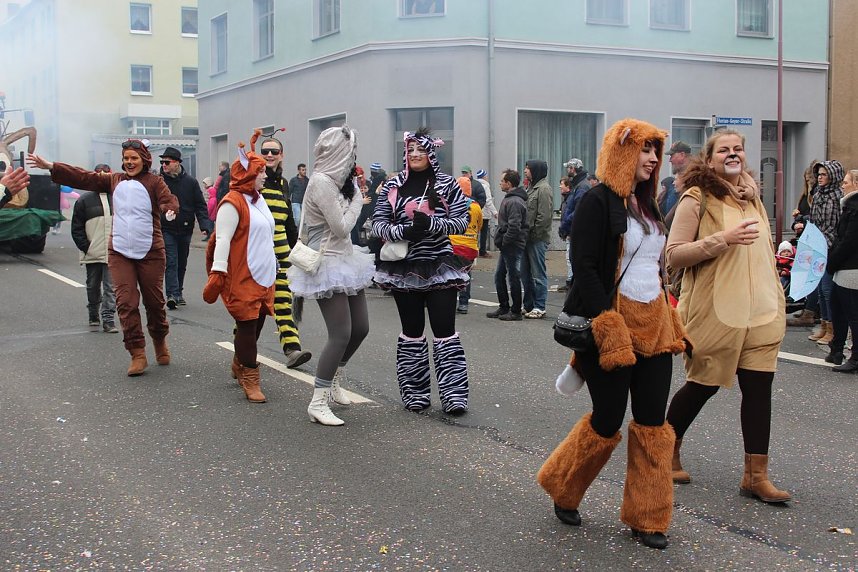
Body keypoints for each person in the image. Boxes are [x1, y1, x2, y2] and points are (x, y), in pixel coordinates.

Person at [537, 119, 686, 550]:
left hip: (654, 326)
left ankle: (649, 516)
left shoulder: (650, 204)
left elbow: (653, 269)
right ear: (622, 153)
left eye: (656, 151)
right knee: (607, 419)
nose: (653, 159)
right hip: (610, 325)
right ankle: (562, 486)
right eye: (644, 150)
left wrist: (670, 314)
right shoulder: (597, 202)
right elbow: (583, 268)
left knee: (654, 424)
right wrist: (606, 321)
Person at [664, 128, 791, 505]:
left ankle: (756, 476)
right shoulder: (696, 197)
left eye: (738, 149)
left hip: (762, 312)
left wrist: (777, 295)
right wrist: (722, 240)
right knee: (702, 385)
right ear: (711, 157)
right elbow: (674, 255)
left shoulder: (754, 198)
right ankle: (664, 448)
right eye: (724, 150)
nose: (732, 154)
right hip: (716, 312)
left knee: (758, 390)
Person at [29, 140, 179, 376]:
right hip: (119, 251)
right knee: (126, 302)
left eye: (134, 158)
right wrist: (51, 166)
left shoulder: (154, 182)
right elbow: (84, 177)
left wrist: (170, 208)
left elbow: (167, 199)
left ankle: (159, 340)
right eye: (126, 158)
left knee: (154, 303)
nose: (129, 162)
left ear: (144, 160)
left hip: (150, 251)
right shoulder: (113, 180)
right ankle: (137, 352)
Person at [372, 128, 471, 414]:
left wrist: (432, 225)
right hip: (405, 268)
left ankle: (453, 394)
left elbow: (462, 221)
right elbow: (377, 224)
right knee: (412, 331)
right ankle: (415, 393)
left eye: (421, 150)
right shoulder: (393, 186)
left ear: (432, 154)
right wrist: (405, 230)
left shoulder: (447, 184)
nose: (415, 155)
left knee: (445, 331)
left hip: (440, 265)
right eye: (411, 150)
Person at [288, 125, 375, 426]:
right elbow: (341, 227)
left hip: (347, 261)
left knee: (360, 328)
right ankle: (318, 400)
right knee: (341, 333)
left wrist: (353, 197)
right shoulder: (322, 182)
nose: (353, 158)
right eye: (350, 152)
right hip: (326, 265)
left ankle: (335, 379)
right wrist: (357, 202)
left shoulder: (340, 182)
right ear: (339, 152)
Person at [203, 130, 276, 404]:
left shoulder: (258, 199)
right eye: (260, 172)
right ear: (247, 174)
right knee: (246, 326)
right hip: (243, 275)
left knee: (256, 325)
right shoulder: (232, 202)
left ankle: (239, 360)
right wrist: (218, 273)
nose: (265, 175)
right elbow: (221, 239)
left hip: (264, 274)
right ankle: (250, 376)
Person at [258, 136, 312, 369]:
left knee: (283, 300)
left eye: (274, 152)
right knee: (252, 306)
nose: (269, 155)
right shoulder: (251, 179)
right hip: (256, 251)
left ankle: (292, 350)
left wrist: (296, 250)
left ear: (281, 155)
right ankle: (241, 354)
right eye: (265, 151)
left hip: (281, 252)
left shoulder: (283, 184)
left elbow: (289, 220)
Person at [159, 147, 213, 309]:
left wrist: (205, 225)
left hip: (185, 228)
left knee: (182, 262)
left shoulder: (190, 182)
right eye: (162, 162)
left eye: (167, 162)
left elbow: (200, 206)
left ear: (177, 163)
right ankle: (171, 294)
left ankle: (178, 292)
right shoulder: (159, 182)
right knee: (171, 261)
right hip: (166, 228)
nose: (164, 165)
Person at [71, 164, 118, 333]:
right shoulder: (84, 200)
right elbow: (76, 227)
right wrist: (86, 246)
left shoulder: (118, 197)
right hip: (92, 252)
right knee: (92, 285)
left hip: (113, 252)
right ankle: (93, 312)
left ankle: (108, 319)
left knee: (111, 287)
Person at [806, 160, 844, 346]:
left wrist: (825, 245)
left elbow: (835, 225)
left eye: (823, 174)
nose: (820, 178)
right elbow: (814, 221)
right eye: (818, 174)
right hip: (817, 245)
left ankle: (832, 329)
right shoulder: (819, 194)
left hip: (830, 247)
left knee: (828, 289)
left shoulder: (837, 196)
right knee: (820, 290)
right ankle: (823, 326)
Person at [825, 168, 858, 371]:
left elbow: (848, 241)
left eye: (846, 182)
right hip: (844, 268)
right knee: (837, 308)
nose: (842, 186)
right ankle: (836, 349)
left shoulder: (855, 207)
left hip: (851, 269)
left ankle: (855, 358)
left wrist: (832, 261)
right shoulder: (850, 206)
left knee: (853, 314)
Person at [486, 168, 528, 321]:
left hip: (512, 245)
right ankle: (504, 306)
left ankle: (515, 310)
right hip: (508, 245)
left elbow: (514, 226)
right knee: (499, 276)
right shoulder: (511, 198)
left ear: (509, 183)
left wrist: (504, 241)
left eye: (502, 181)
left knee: (513, 277)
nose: (500, 183)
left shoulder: (514, 201)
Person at [522, 159, 553, 319]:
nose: (525, 171)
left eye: (528, 168)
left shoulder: (544, 189)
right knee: (525, 274)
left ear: (536, 170)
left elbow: (544, 217)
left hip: (537, 239)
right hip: (527, 239)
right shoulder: (530, 188)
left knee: (538, 274)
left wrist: (533, 235)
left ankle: (540, 306)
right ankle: (528, 305)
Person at [558, 158, 591, 290]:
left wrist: (565, 224)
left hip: (577, 232)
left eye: (569, 168)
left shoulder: (581, 186)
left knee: (576, 261)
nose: (567, 170)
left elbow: (579, 210)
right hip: (575, 230)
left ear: (573, 169)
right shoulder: (579, 185)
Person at [451, 177, 483, 314]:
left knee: (451, 275)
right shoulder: (476, 206)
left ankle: (450, 302)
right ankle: (463, 303)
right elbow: (479, 226)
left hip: (454, 244)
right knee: (466, 274)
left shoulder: (452, 204)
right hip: (469, 247)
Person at [658, 141, 691, 219]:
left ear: (682, 155)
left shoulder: (697, 179)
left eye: (672, 155)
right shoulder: (672, 185)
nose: (670, 160)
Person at [475, 169, 497, 257]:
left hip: (476, 211)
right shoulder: (485, 186)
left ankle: (474, 249)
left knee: (475, 232)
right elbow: (488, 200)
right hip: (484, 213)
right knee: (483, 233)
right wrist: (494, 212)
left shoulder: (475, 184)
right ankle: (482, 251)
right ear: (484, 176)